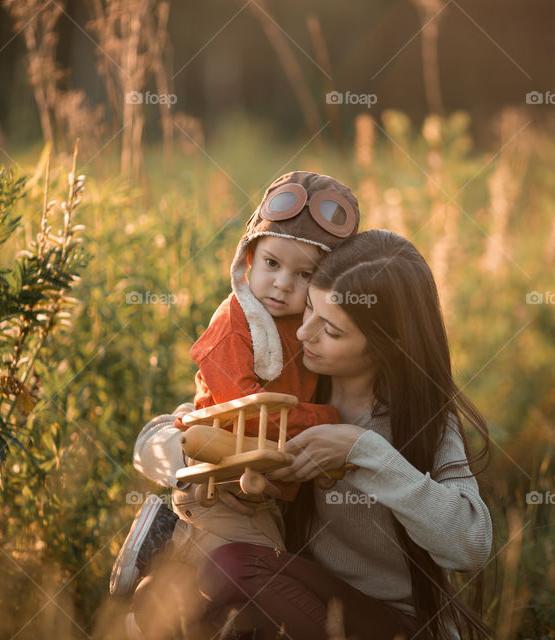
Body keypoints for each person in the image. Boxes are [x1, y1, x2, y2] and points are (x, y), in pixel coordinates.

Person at [132, 230, 496, 640]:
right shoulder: (296, 386)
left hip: (395, 625)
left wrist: (364, 452)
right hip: (287, 592)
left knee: (235, 566)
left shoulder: (421, 420)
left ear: (387, 346)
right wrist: (216, 459)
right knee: (160, 598)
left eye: (332, 331)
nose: (304, 333)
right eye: (308, 309)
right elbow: (154, 440)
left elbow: (471, 545)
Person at [110, 171, 361, 601]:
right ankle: (172, 543)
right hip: (219, 475)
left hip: (263, 481)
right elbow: (242, 407)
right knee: (259, 568)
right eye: (272, 264)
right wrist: (329, 421)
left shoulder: (302, 327)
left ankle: (162, 574)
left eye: (305, 275)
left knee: (209, 590)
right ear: (248, 260)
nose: (283, 283)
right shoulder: (236, 321)